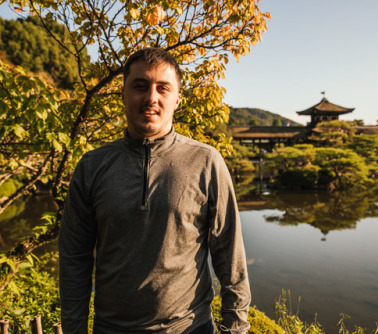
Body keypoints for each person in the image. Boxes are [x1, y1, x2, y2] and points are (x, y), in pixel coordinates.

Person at [59, 48, 251, 334]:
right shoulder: (92, 166)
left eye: (163, 88)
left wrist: (235, 328)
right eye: (140, 86)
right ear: (123, 94)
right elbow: (75, 257)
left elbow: (229, 253)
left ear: (177, 99)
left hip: (190, 327)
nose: (151, 97)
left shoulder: (206, 161)